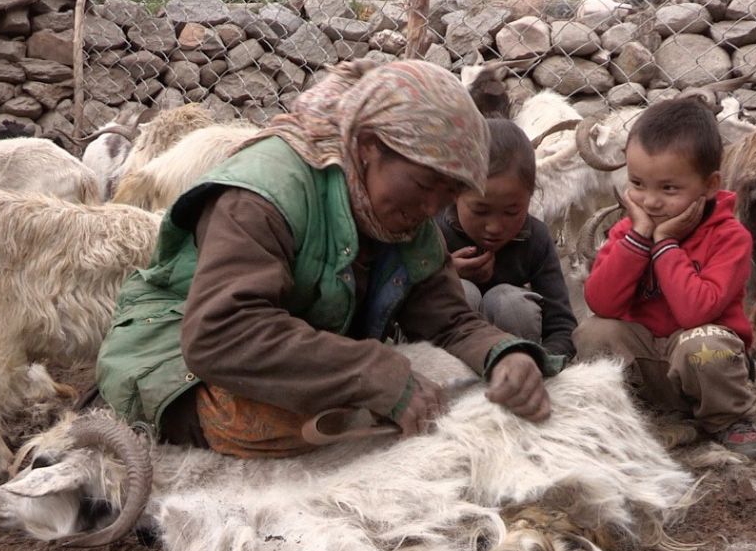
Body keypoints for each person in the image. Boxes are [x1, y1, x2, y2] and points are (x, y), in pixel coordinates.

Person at [95, 60, 562, 458]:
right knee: (287, 416)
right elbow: (221, 332)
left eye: (449, 195)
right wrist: (374, 373)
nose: (430, 211)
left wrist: (505, 354)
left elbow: (449, 319)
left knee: (444, 389)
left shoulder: (402, 215)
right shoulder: (264, 192)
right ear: (367, 148)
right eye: (423, 187)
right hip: (176, 354)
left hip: (293, 347)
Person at [572, 98, 756, 459]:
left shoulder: (730, 237)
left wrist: (663, 245)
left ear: (710, 186)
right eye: (638, 184)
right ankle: (632, 408)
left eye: (669, 189)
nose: (650, 201)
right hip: (647, 360)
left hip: (702, 365)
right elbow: (601, 302)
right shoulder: (629, 231)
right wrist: (638, 239)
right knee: (592, 331)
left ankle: (728, 418)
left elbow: (696, 312)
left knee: (703, 344)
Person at [437, 118, 578, 359]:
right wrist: (443, 273)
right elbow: (397, 305)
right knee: (463, 292)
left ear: (531, 196)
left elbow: (562, 327)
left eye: (512, 212)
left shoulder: (536, 238)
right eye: (480, 211)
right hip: (444, 365)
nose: (494, 227)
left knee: (510, 304)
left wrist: (541, 363)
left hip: (516, 369)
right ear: (454, 193)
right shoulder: (434, 230)